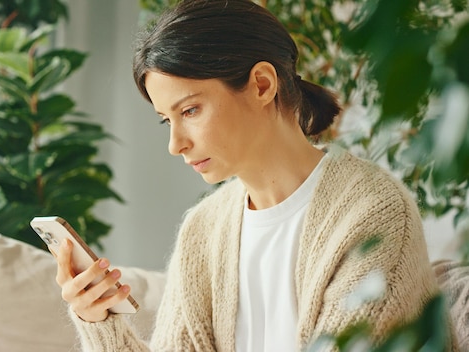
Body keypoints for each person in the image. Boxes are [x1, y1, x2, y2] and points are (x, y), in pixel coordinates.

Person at [53, 0, 443, 350]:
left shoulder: (375, 214)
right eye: (165, 120)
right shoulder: (203, 231)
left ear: (261, 85)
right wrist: (99, 320)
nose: (175, 144)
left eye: (189, 111)